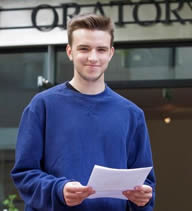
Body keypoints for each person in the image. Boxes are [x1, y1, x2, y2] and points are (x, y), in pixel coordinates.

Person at [11, 13, 156, 211]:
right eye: (84, 49)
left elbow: (146, 184)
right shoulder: (42, 106)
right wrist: (58, 190)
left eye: (101, 49)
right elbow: (24, 174)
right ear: (70, 52)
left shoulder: (132, 114)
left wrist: (143, 198)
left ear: (111, 53)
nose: (93, 57)